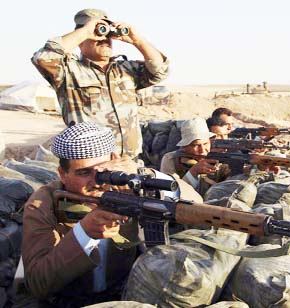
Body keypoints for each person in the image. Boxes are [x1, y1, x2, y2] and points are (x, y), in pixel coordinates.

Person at [17, 123, 143, 307]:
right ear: (62, 173)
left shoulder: (128, 184)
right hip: (68, 300)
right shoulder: (42, 204)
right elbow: (38, 283)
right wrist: (83, 234)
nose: (97, 182)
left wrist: (143, 178)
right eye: (84, 173)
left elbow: (188, 203)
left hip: (120, 292)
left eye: (103, 172)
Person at [31, 8, 169, 159]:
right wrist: (86, 31)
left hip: (129, 160)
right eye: (97, 35)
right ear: (80, 42)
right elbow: (42, 58)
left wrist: (138, 40)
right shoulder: (69, 72)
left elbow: (160, 70)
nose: (104, 39)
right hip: (92, 163)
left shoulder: (125, 70)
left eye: (107, 36)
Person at [160, 118, 219, 193]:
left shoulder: (217, 157)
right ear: (184, 146)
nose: (203, 150)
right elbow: (172, 192)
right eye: (197, 145)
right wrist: (193, 172)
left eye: (205, 144)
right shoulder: (170, 159)